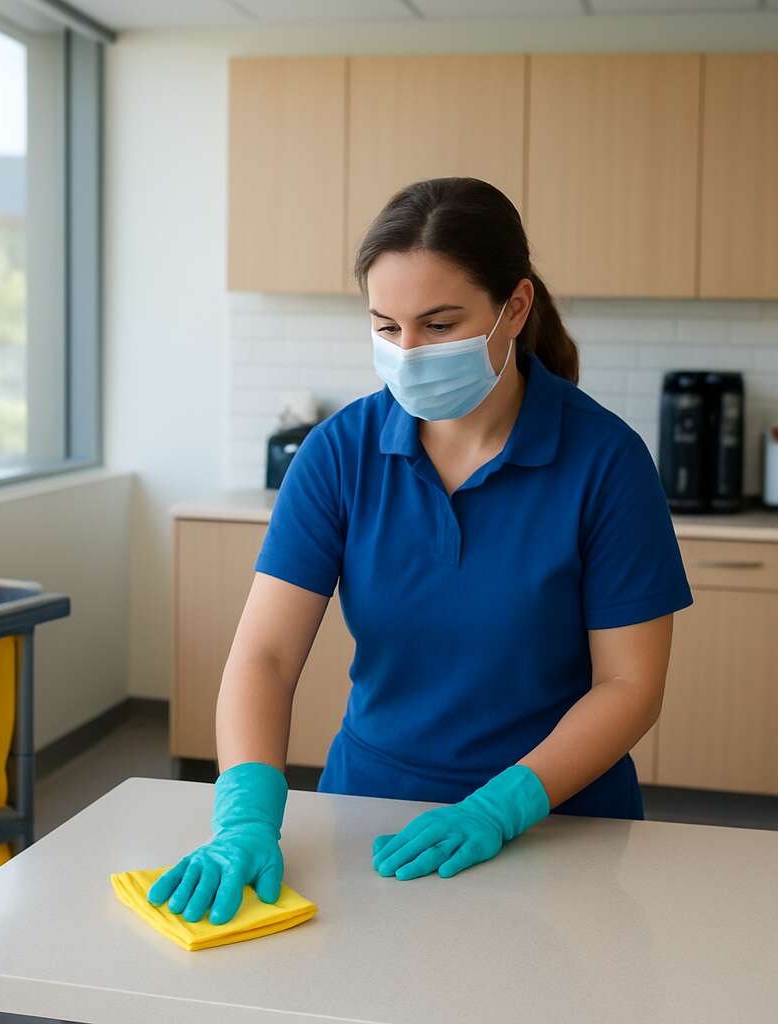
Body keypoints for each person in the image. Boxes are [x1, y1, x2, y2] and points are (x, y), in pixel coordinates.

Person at [148, 176, 693, 926]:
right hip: (369, 817)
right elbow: (264, 657)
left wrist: (500, 807)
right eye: (385, 325)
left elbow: (630, 685)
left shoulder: (605, 462)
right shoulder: (340, 454)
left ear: (516, 308)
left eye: (438, 326)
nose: (408, 352)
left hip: (563, 825)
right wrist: (243, 816)